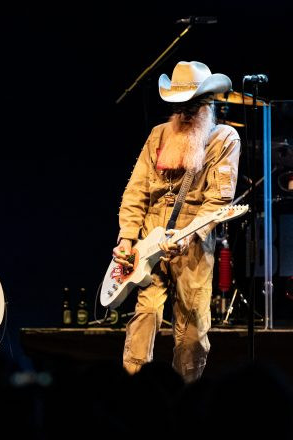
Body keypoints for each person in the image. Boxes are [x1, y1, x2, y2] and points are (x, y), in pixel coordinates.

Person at [113, 61, 241, 382]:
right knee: (145, 317)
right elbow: (137, 189)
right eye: (179, 106)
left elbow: (218, 200)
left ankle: (185, 400)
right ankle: (135, 395)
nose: (184, 114)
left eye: (192, 106)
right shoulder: (158, 135)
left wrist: (187, 234)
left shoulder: (223, 139)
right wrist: (127, 238)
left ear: (207, 104)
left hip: (193, 239)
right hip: (150, 239)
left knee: (192, 331)